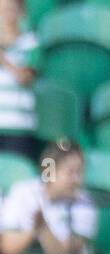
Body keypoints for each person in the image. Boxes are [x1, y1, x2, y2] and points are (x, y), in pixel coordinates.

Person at [0, 139, 97, 254]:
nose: (76, 179)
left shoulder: (84, 203)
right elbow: (7, 249)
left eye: (80, 172)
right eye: (70, 172)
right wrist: (33, 231)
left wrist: (43, 229)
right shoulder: (22, 192)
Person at [0, 0, 39, 160]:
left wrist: (3, 58)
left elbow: (25, 77)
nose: (5, 14)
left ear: (21, 12)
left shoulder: (31, 42)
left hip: (19, 127)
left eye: (9, 9)